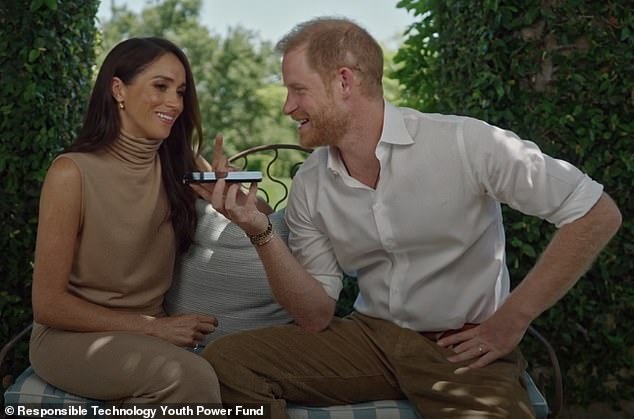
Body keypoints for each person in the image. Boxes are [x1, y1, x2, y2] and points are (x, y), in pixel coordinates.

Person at [193, 17, 622, 418]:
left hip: (460, 348)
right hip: (370, 339)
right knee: (228, 361)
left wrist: (513, 318)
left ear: (344, 81)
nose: (288, 107)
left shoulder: (465, 143)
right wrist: (260, 230)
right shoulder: (310, 183)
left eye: (298, 90)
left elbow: (595, 211)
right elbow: (315, 315)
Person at [29, 37, 222, 406]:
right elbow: (49, 304)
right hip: (68, 337)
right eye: (161, 87)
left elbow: (258, 215)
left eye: (180, 92)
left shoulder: (183, 164)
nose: (175, 103)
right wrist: (156, 328)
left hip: (146, 334)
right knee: (190, 379)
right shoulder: (71, 173)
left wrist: (239, 201)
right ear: (118, 89)